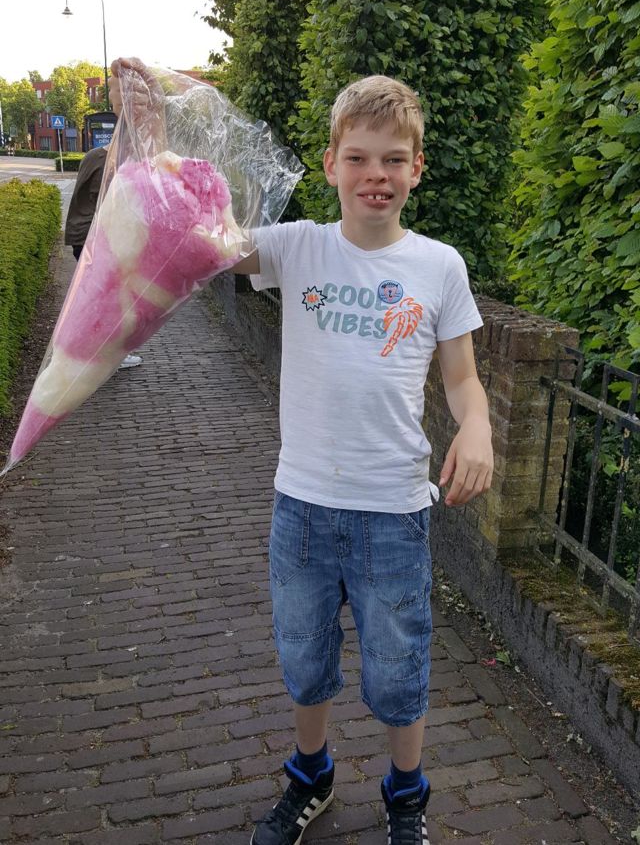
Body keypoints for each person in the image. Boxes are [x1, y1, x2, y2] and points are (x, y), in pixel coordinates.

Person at [110, 63, 493, 845]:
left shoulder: (440, 266)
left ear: (417, 168)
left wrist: (477, 427)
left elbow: (462, 379)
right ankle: (311, 777)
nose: (376, 174)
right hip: (304, 508)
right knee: (305, 659)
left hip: (394, 513)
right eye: (358, 157)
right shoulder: (298, 248)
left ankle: (406, 796)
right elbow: (201, 239)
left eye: (393, 159)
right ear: (330, 165)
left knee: (399, 669)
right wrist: (153, 133)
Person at [64, 137, 142, 370]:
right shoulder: (107, 162)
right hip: (93, 238)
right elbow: (108, 204)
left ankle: (93, 354)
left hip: (85, 235)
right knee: (106, 300)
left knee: (98, 297)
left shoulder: (94, 155)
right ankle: (104, 356)